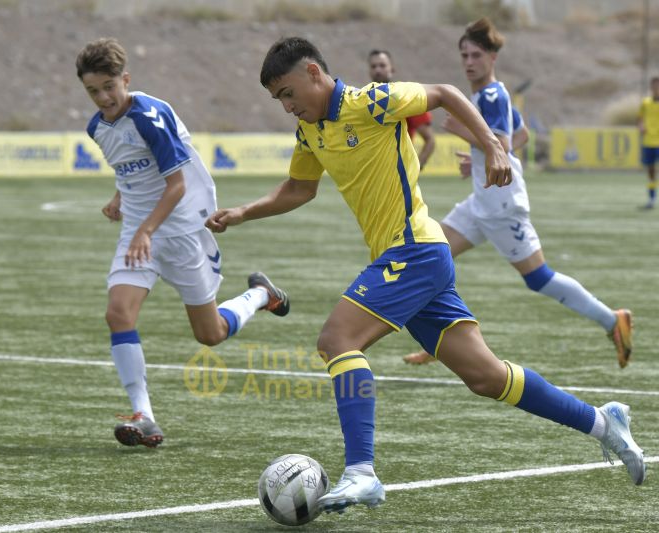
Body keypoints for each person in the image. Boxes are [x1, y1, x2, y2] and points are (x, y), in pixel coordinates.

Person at [206, 36, 645, 514]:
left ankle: (361, 473)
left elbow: (444, 93)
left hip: (413, 249)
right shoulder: (312, 131)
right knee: (487, 376)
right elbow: (299, 188)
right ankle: (604, 423)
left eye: (288, 93)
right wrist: (245, 212)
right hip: (416, 257)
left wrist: (493, 148)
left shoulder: (368, 101)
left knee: (337, 340)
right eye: (278, 100)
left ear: (313, 73)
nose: (287, 106)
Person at [76, 38, 290, 448]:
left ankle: (260, 295)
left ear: (126, 79)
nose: (102, 97)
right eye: (92, 91)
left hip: (183, 232)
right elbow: (132, 169)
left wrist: (145, 231)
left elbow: (175, 185)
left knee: (209, 335)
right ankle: (145, 415)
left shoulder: (149, 116)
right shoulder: (96, 127)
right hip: (142, 234)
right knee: (118, 314)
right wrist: (121, 199)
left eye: (109, 87)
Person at [403, 18, 633, 368]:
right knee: (430, 258)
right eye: (464, 54)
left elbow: (506, 143)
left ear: (492, 56)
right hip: (483, 200)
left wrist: (463, 131)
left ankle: (612, 320)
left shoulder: (493, 94)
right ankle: (441, 341)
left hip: (501, 206)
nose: (468, 62)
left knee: (538, 277)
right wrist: (478, 160)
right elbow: (521, 136)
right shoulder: (492, 94)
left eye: (476, 55)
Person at [368, 49, 436, 169]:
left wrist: (416, 170)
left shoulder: (405, 98)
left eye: (382, 65)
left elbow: (430, 140)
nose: (377, 70)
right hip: (374, 173)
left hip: (399, 173)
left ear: (392, 69)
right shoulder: (363, 100)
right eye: (373, 66)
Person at [639, 76, 659, 210]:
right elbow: (640, 118)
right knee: (651, 171)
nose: (656, 89)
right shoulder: (645, 103)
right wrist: (641, 126)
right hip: (648, 141)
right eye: (654, 86)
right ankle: (651, 199)